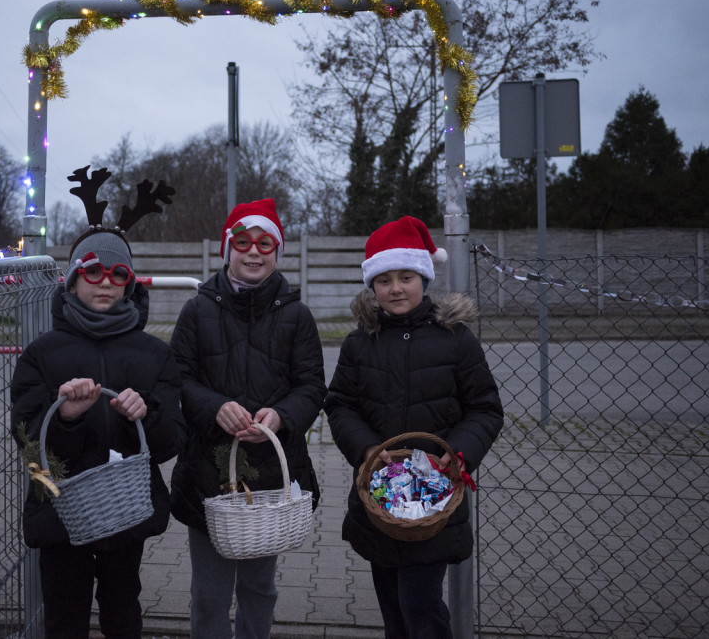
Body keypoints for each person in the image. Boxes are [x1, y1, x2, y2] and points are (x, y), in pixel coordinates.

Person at [10, 167, 184, 639]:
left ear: (129, 282)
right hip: (59, 510)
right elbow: (27, 439)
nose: (105, 283)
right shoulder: (41, 354)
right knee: (64, 615)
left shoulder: (154, 354)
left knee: (122, 609)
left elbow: (171, 440)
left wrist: (143, 414)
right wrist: (65, 416)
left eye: (118, 273)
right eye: (93, 271)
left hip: (123, 512)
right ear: (71, 279)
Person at [325, 216, 504, 639]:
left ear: (423, 277)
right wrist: (367, 449)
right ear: (373, 286)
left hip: (436, 496)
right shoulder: (358, 343)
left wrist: (458, 453)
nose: (396, 288)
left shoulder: (455, 340)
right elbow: (340, 407)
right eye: (384, 280)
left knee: (420, 607)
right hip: (381, 496)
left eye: (406, 276)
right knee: (394, 612)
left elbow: (485, 410)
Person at [168, 198, 326, 639]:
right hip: (208, 472)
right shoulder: (197, 311)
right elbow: (176, 379)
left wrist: (283, 415)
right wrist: (213, 407)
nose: (253, 252)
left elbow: (313, 386)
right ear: (227, 250)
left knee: (259, 586)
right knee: (209, 593)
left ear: (277, 252)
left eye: (264, 243)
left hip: (273, 472)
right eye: (242, 243)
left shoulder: (297, 316)